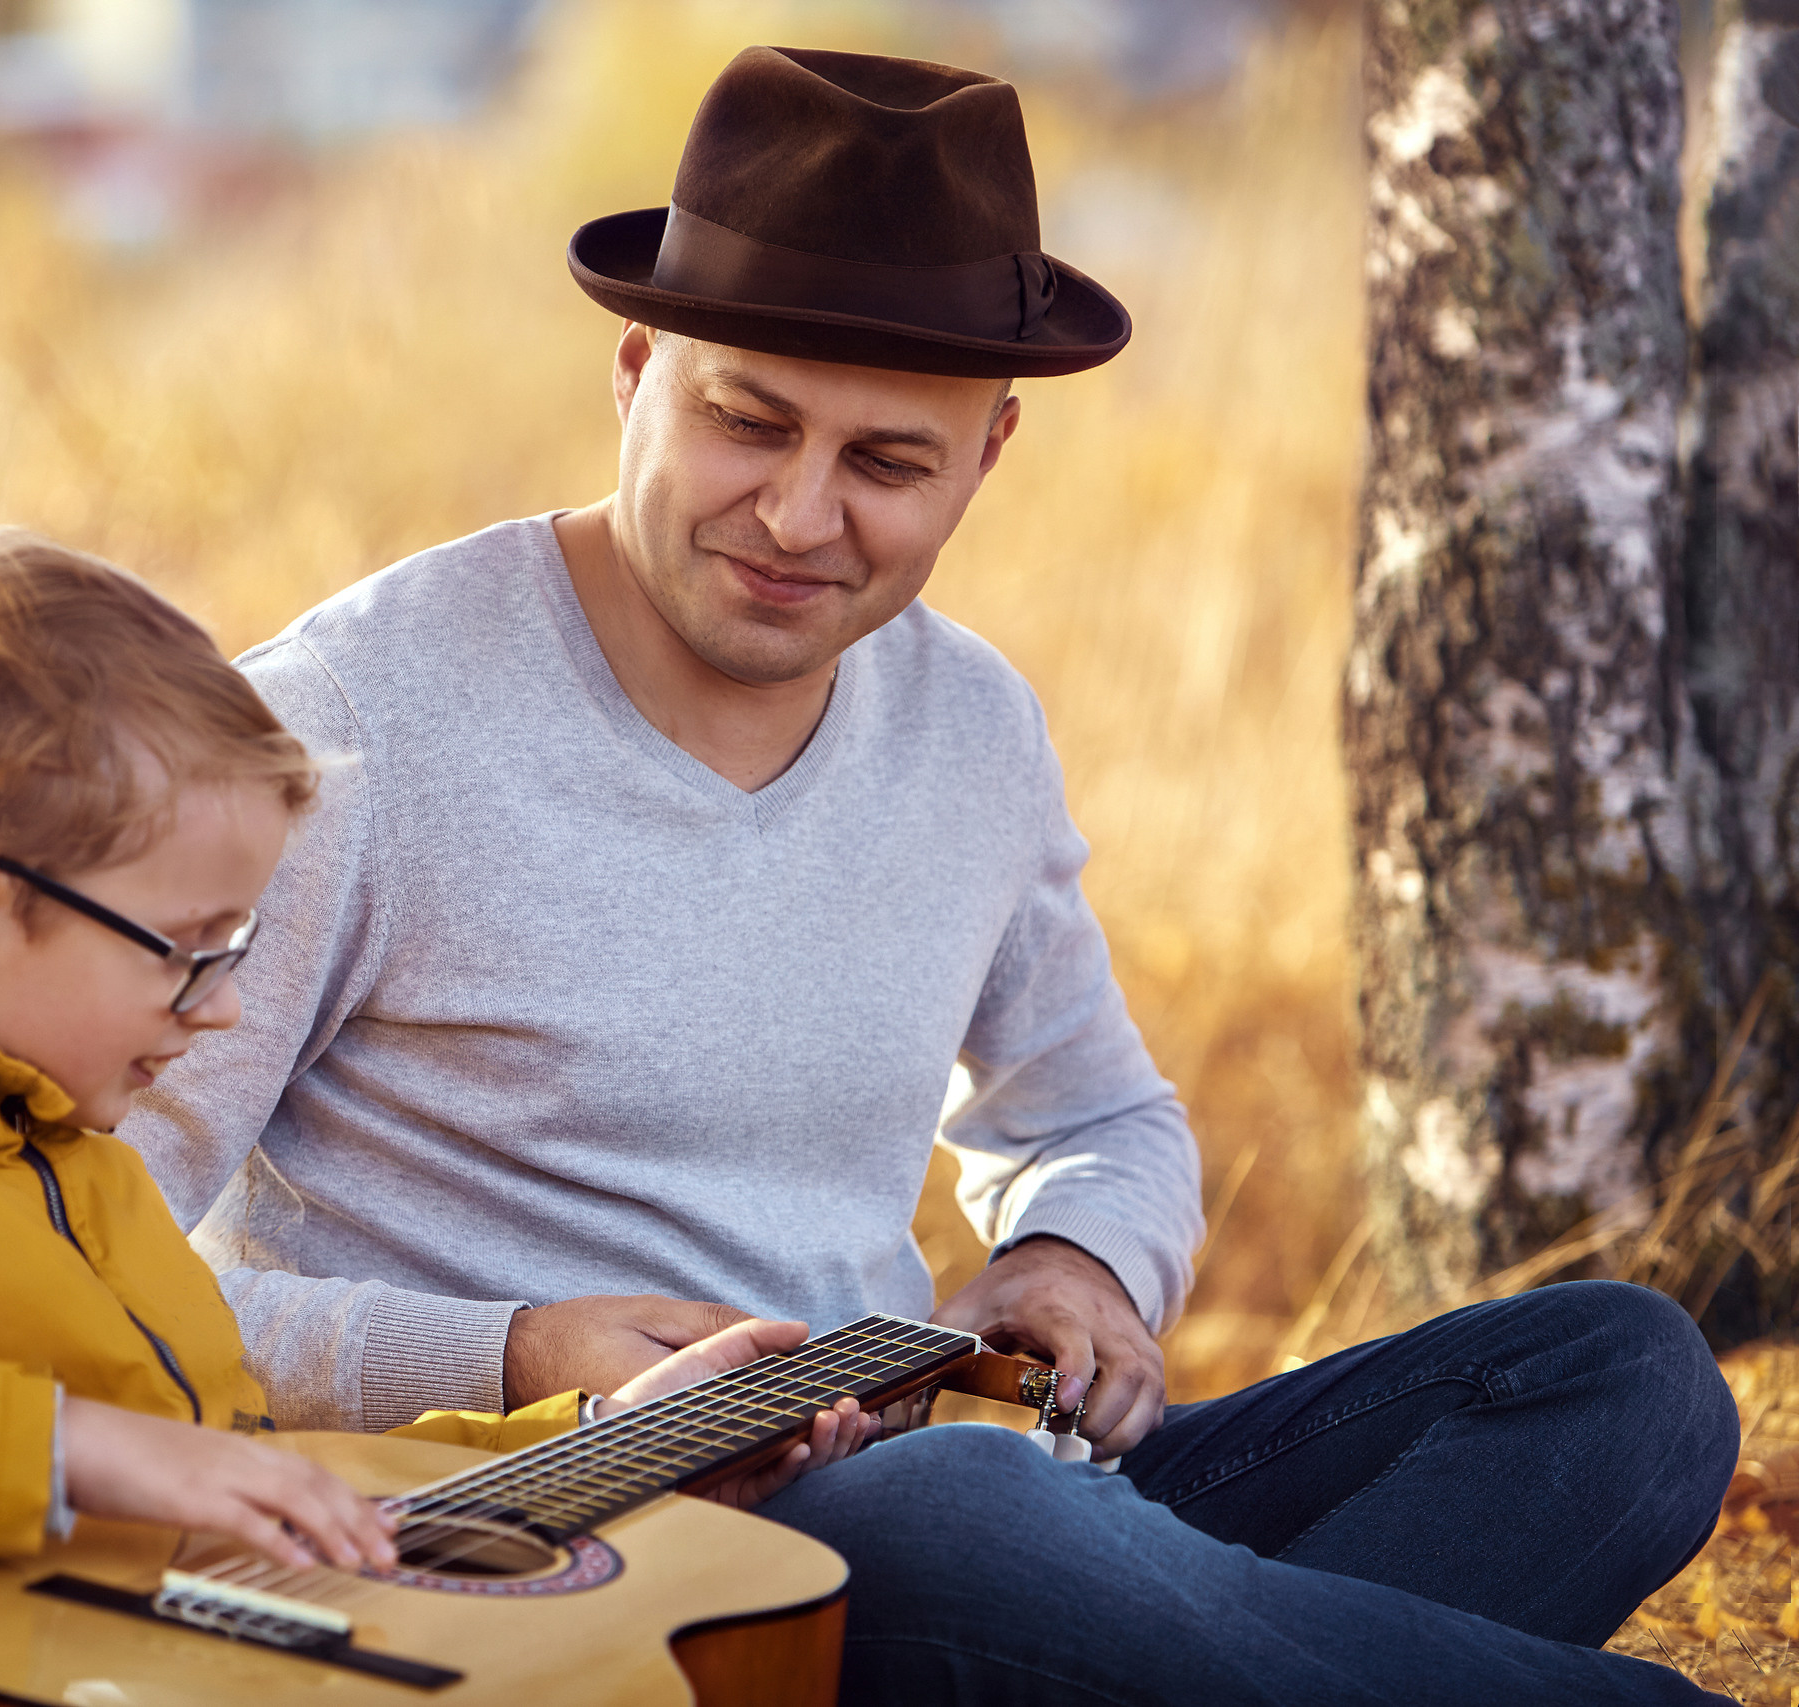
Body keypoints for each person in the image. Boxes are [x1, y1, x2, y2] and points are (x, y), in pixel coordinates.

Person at [121, 46, 1742, 1703]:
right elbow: (84, 1261)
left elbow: (1096, 1117)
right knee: (963, 1513)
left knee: (1624, 1377)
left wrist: (1076, 1266)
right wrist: (525, 1357)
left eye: (887, 464)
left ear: (987, 458)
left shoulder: (970, 725)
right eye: (747, 423)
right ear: (633, 373)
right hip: (568, 1554)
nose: (799, 516)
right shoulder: (337, 728)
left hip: (934, 1494)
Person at [0, 527, 867, 1707]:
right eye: (188, 948)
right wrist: (71, 1445)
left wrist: (601, 1446)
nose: (224, 1008)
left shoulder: (51, 1132)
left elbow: (235, 1479)